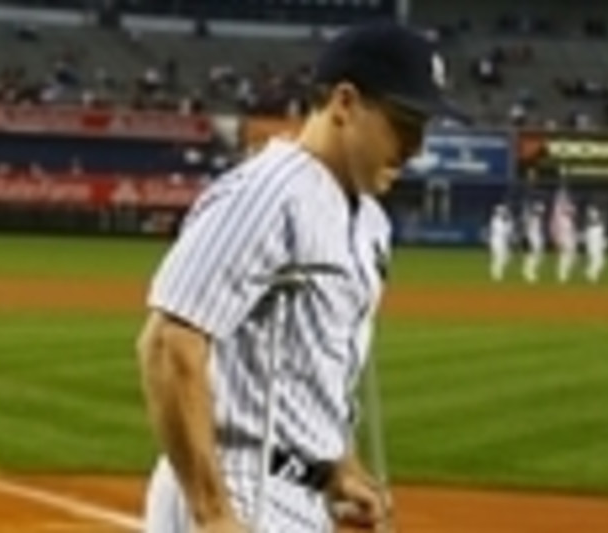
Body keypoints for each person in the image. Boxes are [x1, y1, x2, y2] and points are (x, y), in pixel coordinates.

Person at [136, 21, 459, 533]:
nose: (416, 147)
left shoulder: (369, 220)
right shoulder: (268, 194)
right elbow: (170, 341)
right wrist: (214, 514)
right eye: (405, 123)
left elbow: (309, 370)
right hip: (239, 486)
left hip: (300, 500)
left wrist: (337, 467)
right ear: (345, 103)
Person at [488, 203, 514, 282]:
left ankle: (495, 270)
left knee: (508, 257)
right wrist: (508, 223)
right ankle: (496, 274)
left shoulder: (506, 221)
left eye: (505, 212)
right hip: (496, 240)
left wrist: (509, 221)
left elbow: (509, 231)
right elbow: (503, 231)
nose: (505, 214)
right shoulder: (495, 220)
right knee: (499, 257)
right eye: (503, 212)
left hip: (503, 241)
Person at [521, 201, 545, 283]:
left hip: (536, 239)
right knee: (533, 256)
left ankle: (527, 271)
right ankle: (529, 273)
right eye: (540, 212)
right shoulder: (532, 218)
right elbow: (528, 230)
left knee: (538, 257)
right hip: (533, 239)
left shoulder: (537, 219)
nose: (541, 213)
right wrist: (528, 240)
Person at [583, 205, 608, 283]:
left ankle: (590, 273)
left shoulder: (599, 225)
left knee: (601, 262)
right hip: (593, 246)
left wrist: (604, 243)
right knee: (597, 261)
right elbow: (591, 238)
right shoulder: (591, 228)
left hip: (597, 246)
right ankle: (591, 274)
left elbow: (600, 236)